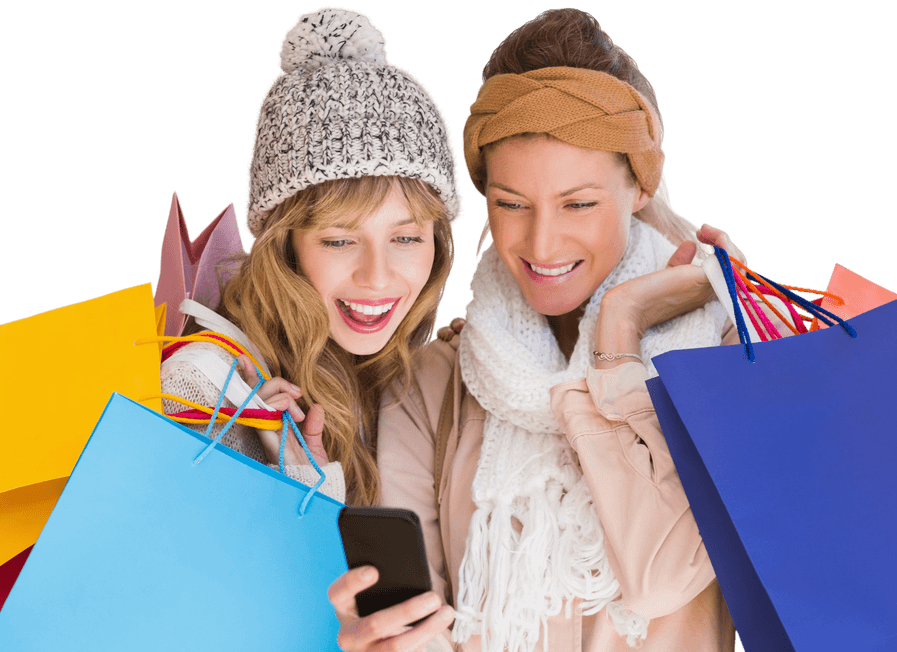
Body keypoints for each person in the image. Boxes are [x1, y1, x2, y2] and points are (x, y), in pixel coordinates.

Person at [328, 8, 791, 651]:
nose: (542, 243)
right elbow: (419, 631)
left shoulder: (723, 363)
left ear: (637, 187)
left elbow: (657, 580)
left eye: (578, 203)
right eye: (511, 204)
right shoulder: (427, 384)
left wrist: (619, 333)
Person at [159, 6, 461, 506]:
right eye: (339, 240)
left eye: (406, 238)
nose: (377, 277)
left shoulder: (394, 371)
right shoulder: (205, 391)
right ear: (285, 245)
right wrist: (302, 492)